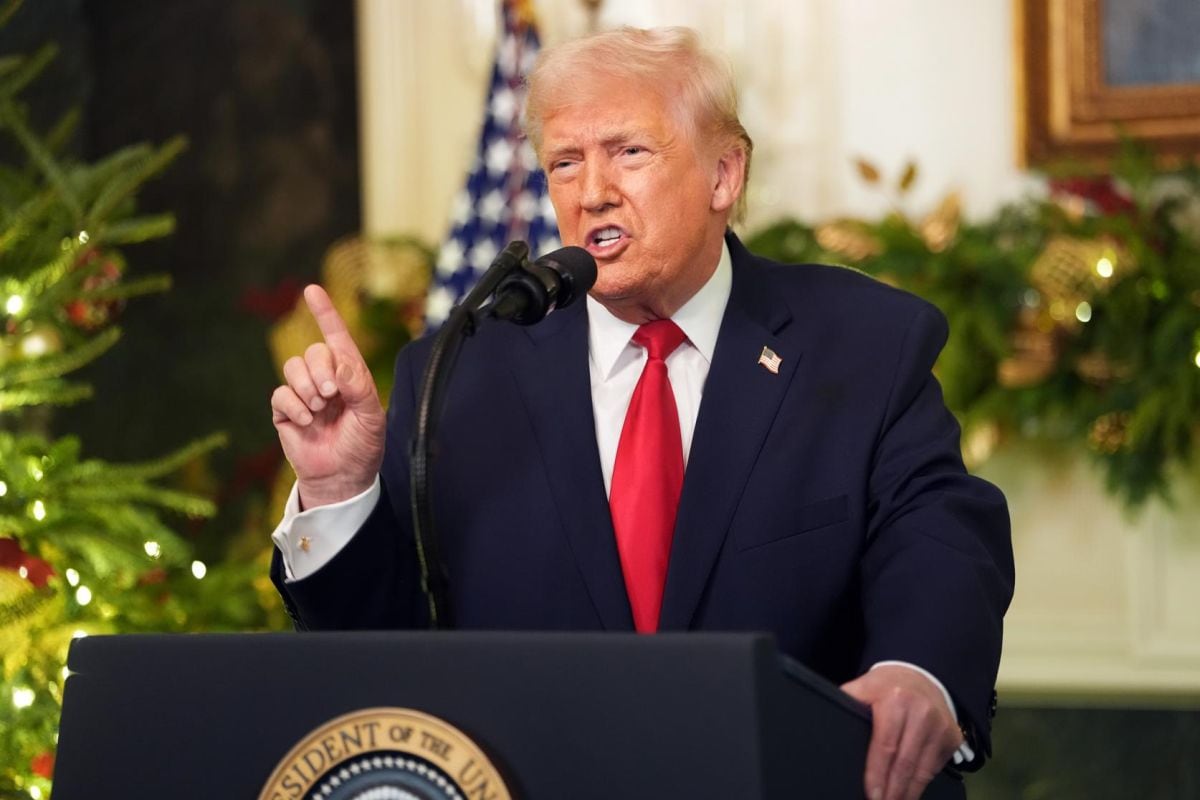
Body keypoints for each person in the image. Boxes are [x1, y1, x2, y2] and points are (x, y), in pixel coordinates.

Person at [269, 26, 1014, 800]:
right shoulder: (459, 370)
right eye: (565, 163)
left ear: (724, 174)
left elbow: (940, 534)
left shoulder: (862, 343)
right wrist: (338, 491)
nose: (591, 192)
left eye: (628, 152)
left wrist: (917, 672)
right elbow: (385, 656)